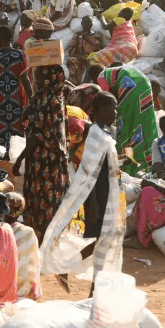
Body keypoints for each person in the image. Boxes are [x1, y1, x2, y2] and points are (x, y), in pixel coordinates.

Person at [40, 91, 125, 290]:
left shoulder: (107, 132)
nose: (115, 113)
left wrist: (120, 160)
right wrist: (93, 203)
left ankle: (75, 275)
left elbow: (104, 164)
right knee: (103, 242)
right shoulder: (95, 133)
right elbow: (88, 170)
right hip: (98, 194)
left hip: (109, 193)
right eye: (113, 108)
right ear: (102, 109)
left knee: (104, 241)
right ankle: (82, 280)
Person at [13, 65, 69, 241]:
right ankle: (51, 241)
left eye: (38, 77)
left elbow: (36, 134)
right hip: (56, 160)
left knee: (39, 199)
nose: (36, 81)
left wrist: (20, 159)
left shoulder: (44, 98)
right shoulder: (58, 96)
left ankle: (39, 241)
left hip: (42, 159)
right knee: (52, 200)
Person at [98, 65, 159, 174]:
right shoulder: (119, 71)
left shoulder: (101, 79)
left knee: (126, 126)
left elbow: (108, 99)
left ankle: (129, 163)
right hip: (144, 84)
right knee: (145, 121)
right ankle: (151, 160)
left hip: (129, 87)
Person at [0, 25, 32, 153]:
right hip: (16, 99)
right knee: (16, 129)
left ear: (1, 39)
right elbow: (25, 80)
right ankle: (13, 156)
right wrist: (32, 99)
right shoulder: (20, 54)